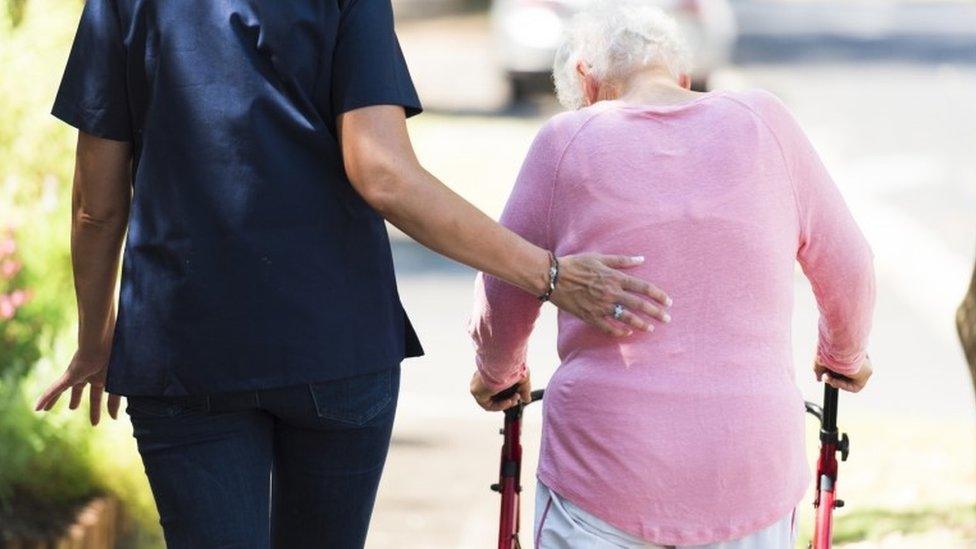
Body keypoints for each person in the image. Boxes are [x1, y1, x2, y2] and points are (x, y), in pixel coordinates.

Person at [32, 1, 673, 547]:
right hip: (334, 346)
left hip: (185, 347)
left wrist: (96, 341)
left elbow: (97, 203)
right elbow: (383, 173)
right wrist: (554, 277)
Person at [468, 3, 875, 548]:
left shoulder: (566, 140)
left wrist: (497, 374)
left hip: (605, 471)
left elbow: (505, 283)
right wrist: (842, 357)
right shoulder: (767, 123)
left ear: (586, 82)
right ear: (682, 77)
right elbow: (848, 264)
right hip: (749, 469)